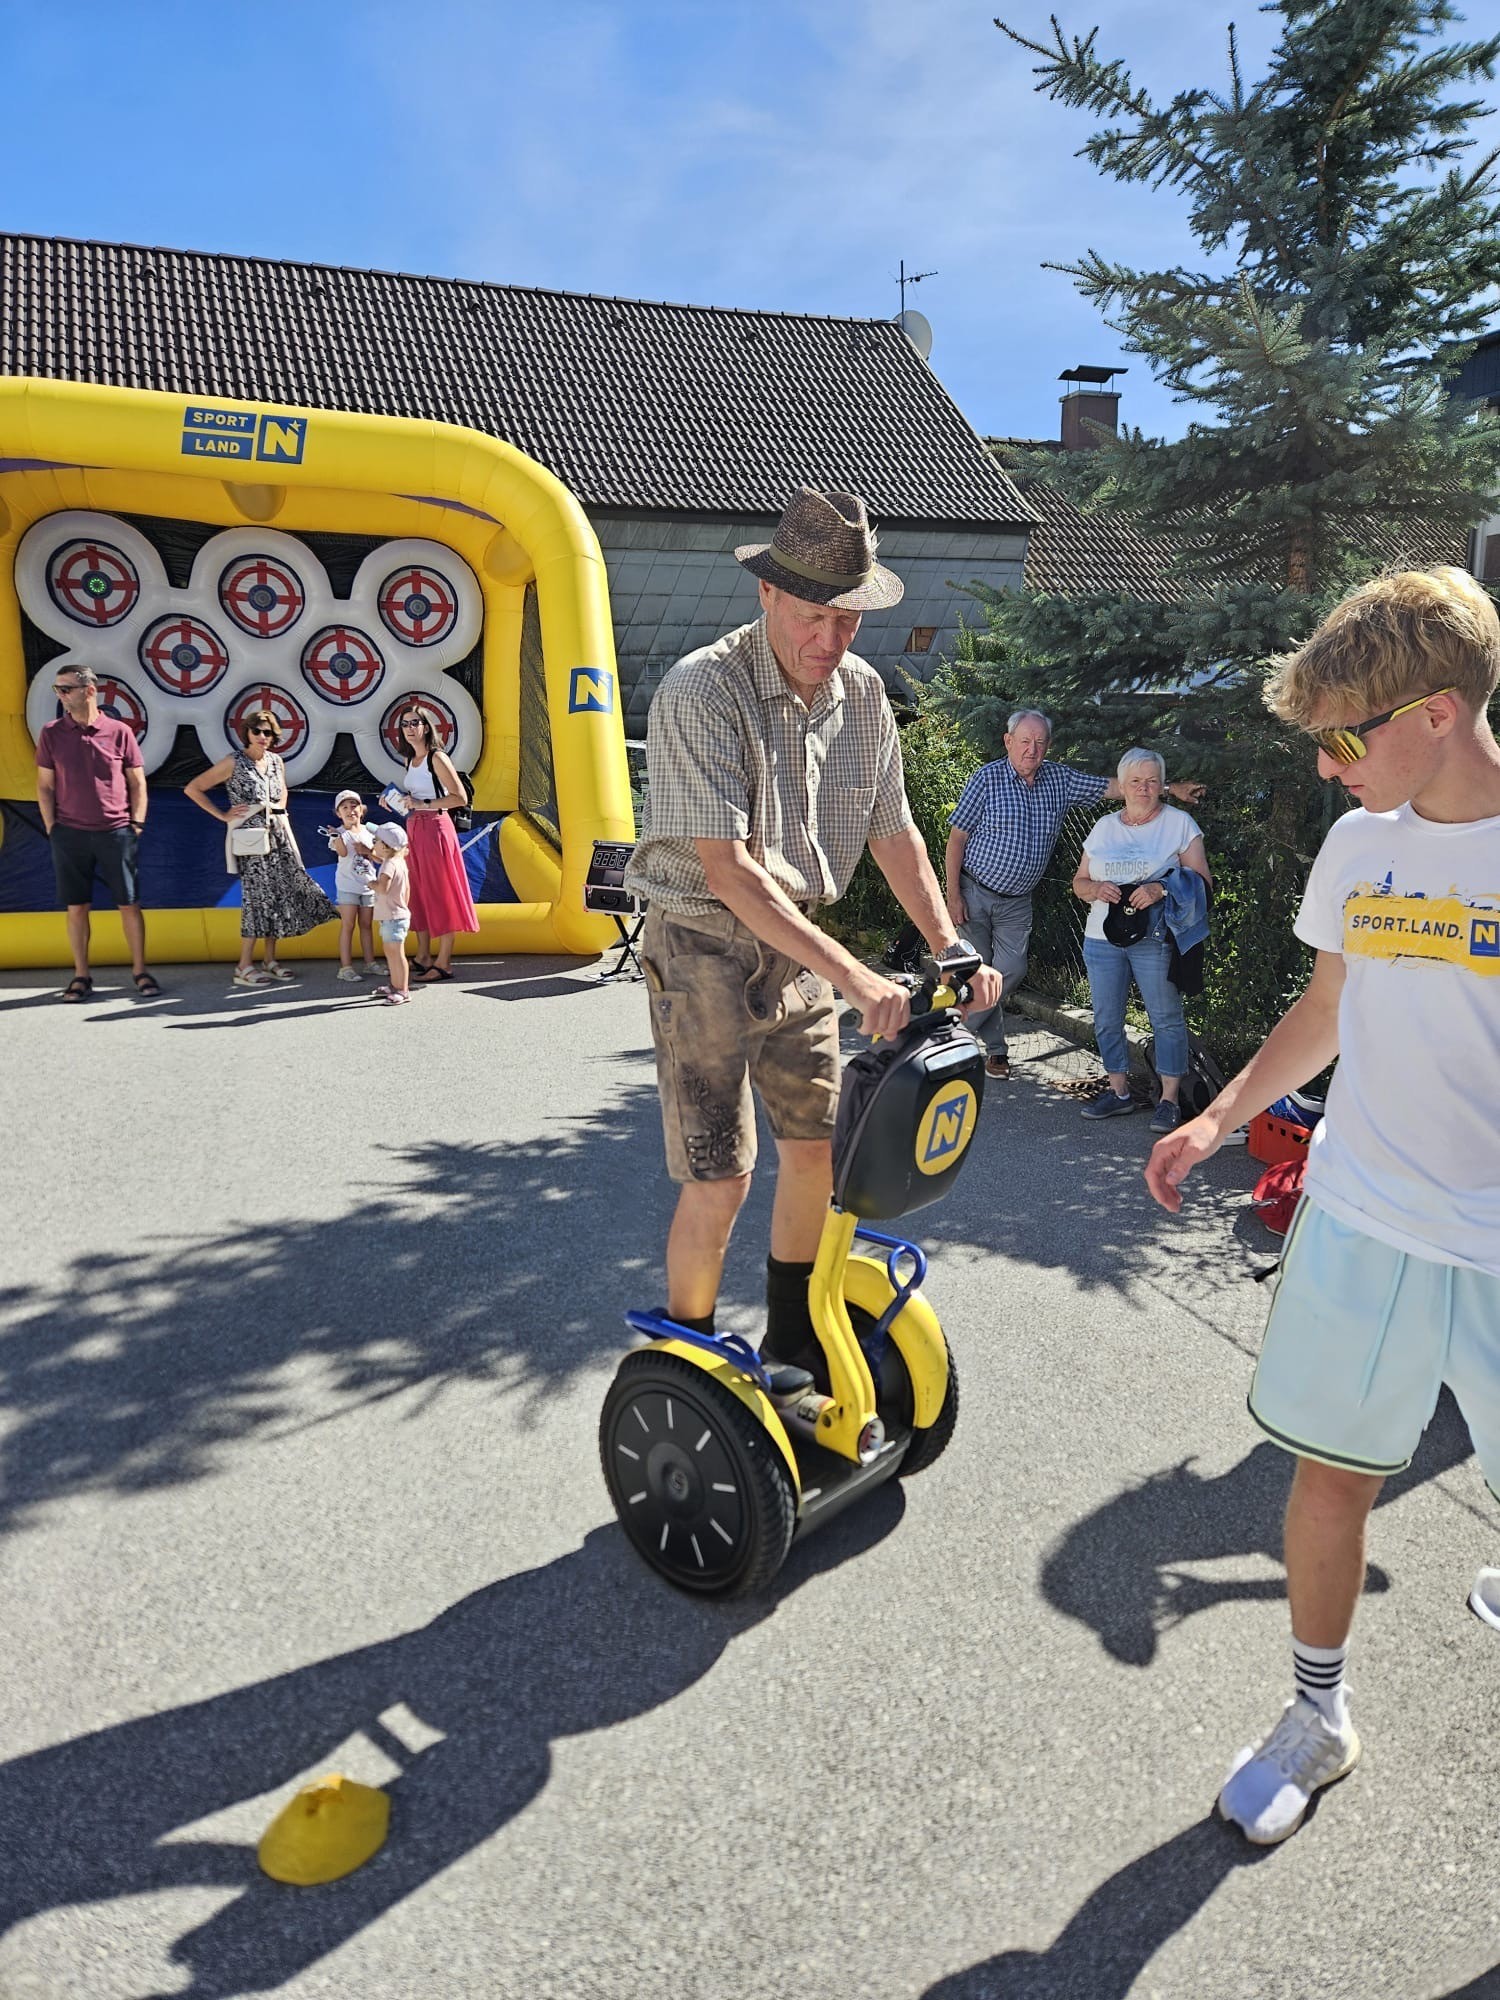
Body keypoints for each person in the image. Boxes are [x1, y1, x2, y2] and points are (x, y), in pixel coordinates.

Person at [1145, 566, 1500, 1846]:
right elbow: (1329, 1007)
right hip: (1361, 1218)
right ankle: (1317, 1714)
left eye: (1345, 739)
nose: (1325, 765)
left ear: (1438, 714)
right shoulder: (1360, 844)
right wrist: (1218, 1116)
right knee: (1328, 1478)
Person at [624, 486, 1000, 1369]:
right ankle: (687, 1367)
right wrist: (857, 978)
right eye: (811, 616)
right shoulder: (702, 691)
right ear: (767, 593)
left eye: (847, 620)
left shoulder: (862, 693)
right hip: (702, 943)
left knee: (819, 1154)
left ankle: (792, 1343)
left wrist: (949, 944)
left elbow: (894, 832)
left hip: (794, 946)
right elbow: (730, 873)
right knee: (722, 1176)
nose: (829, 641)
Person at [946, 711, 1204, 1078]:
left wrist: (1169, 788)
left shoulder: (1059, 779)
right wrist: (953, 894)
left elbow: (1119, 786)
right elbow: (957, 838)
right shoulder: (986, 779)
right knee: (978, 971)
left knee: (1009, 972)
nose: (1032, 749)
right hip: (974, 890)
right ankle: (995, 1050)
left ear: (1048, 745)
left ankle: (952, 1034)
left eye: (1039, 742)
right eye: (1024, 741)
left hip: (1018, 900)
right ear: (1008, 742)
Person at [1072, 749, 1211, 1134]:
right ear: (1122, 785)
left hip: (1155, 936)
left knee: (1165, 1017)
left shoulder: (1179, 824)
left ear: (1162, 785)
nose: (1144, 788)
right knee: (1106, 1017)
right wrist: (1095, 888)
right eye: (1135, 781)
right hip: (1101, 936)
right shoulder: (1104, 827)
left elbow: (1203, 883)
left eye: (1152, 781)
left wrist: (1161, 888)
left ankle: (1169, 1100)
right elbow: (1078, 882)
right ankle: (1119, 1092)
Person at [34, 664, 160, 1000]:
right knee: (76, 907)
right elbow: (44, 785)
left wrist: (136, 824)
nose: (61, 696)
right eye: (57, 690)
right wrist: (52, 826)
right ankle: (81, 976)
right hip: (69, 834)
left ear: (90, 690)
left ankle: (140, 972)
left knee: (129, 904)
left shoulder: (120, 732)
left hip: (116, 831)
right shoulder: (51, 733)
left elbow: (137, 782)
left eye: (66, 689)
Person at [184, 710, 337, 986]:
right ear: (247, 733)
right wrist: (223, 815)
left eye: (268, 732)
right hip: (251, 839)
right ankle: (243, 965)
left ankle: (269, 959)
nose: (262, 736)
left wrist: (279, 817)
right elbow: (193, 788)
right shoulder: (234, 761)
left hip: (278, 835)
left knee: (278, 895)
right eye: (257, 731)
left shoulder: (276, 761)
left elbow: (282, 793)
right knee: (256, 899)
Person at [395, 708, 478, 981]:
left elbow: (459, 797)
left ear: (426, 726)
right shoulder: (410, 759)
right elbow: (417, 796)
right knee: (418, 892)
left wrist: (424, 804)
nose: (410, 728)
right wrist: (398, 800)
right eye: (405, 724)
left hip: (435, 827)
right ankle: (423, 955)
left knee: (441, 891)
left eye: (415, 723)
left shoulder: (437, 757)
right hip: (415, 827)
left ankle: (444, 962)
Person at [327, 789, 379, 982]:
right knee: (348, 925)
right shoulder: (339, 833)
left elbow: (379, 857)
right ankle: (346, 968)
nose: (350, 810)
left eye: (354, 806)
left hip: (368, 886)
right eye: (345, 808)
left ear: (362, 810)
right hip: (347, 887)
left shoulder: (370, 831)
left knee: (366, 925)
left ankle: (370, 963)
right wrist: (336, 836)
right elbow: (341, 852)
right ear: (338, 813)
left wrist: (367, 851)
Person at [369, 822, 413, 1005]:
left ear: (386, 846)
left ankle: (403, 990)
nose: (374, 844)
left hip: (393, 917)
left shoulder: (388, 865)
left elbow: (383, 888)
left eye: (376, 841)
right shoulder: (399, 862)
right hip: (395, 915)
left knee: (396, 954)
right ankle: (395, 985)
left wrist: (370, 882)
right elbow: (407, 890)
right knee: (391, 952)